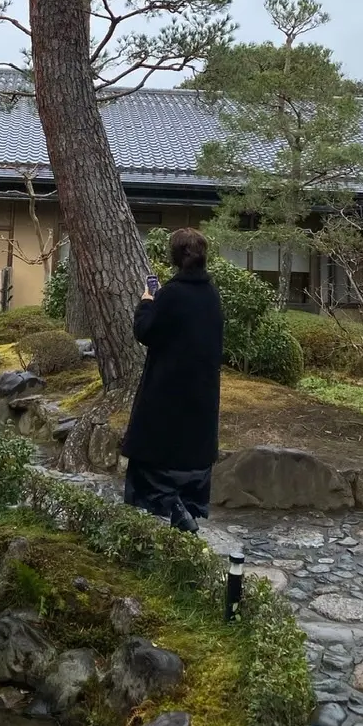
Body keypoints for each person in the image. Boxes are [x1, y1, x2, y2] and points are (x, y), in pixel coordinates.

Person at [122, 227, 224, 533]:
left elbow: (145, 331)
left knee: (155, 460)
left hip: (167, 391)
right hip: (202, 393)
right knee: (192, 459)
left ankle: (173, 507)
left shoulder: (171, 294)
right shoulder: (212, 295)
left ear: (175, 257)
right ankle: (186, 513)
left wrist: (146, 300)